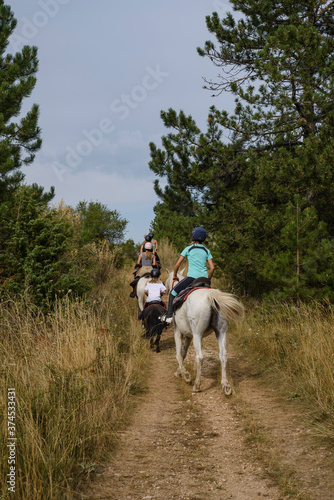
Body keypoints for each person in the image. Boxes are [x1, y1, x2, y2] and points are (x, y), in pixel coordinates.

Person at [160, 227, 215, 324]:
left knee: (173, 293)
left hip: (192, 279)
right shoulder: (207, 250)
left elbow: (177, 264)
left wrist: (175, 276)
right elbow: (212, 268)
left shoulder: (188, 249)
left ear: (193, 237)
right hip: (204, 279)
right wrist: (208, 279)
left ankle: (169, 316)